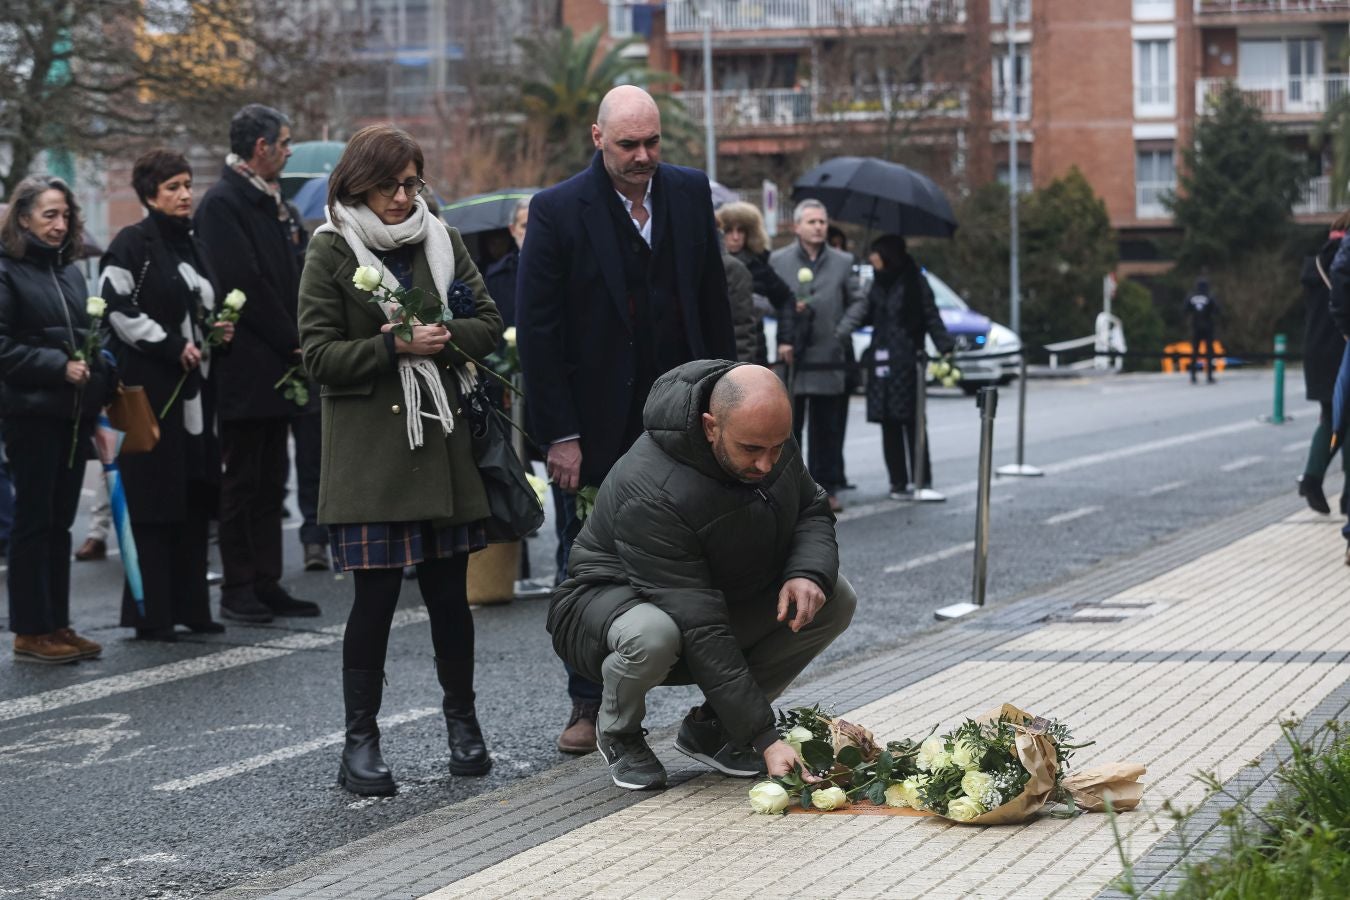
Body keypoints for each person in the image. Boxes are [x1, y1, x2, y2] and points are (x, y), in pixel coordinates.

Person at [517, 84, 736, 756]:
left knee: (705, 559)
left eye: (653, 143)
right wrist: (560, 435)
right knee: (589, 565)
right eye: (628, 145)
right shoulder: (557, 211)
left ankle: (716, 706)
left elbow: (712, 301)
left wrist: (725, 404)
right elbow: (541, 333)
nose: (644, 157)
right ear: (597, 137)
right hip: (594, 426)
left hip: (683, 418)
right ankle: (589, 703)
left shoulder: (690, 192)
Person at [299, 124, 504, 796]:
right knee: (375, 601)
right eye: (388, 184)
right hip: (371, 459)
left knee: (450, 597)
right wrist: (392, 345)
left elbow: (488, 324)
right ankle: (359, 744)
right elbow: (319, 358)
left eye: (411, 183)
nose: (401, 196)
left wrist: (441, 340)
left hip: (441, 448)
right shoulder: (330, 248)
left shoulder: (440, 238)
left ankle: (463, 727)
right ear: (358, 183)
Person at [547, 360, 855, 790]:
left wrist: (806, 573)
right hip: (608, 606)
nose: (767, 464)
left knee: (832, 595)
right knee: (654, 635)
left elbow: (812, 508)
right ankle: (619, 731)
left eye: (777, 447)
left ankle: (712, 730)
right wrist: (765, 736)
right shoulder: (652, 491)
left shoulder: (767, 434)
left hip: (708, 596)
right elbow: (699, 621)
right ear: (711, 426)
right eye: (751, 449)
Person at [99, 149, 233, 640]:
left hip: (198, 397)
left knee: (195, 497)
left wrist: (216, 332)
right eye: (173, 187)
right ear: (149, 194)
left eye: (187, 185)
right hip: (155, 394)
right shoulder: (133, 243)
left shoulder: (192, 244)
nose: (185, 195)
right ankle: (152, 613)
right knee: (155, 500)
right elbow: (115, 309)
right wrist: (172, 344)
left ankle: (193, 606)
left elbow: (200, 303)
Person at [195, 103, 318, 623]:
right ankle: (238, 585)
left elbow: (294, 275)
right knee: (243, 482)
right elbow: (243, 283)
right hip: (248, 367)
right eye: (285, 143)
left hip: (282, 362)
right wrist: (294, 341)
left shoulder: (275, 204)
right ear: (261, 147)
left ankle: (268, 580)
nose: (290, 152)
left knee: (273, 480)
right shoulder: (223, 203)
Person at [0, 175, 115, 663]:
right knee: (33, 521)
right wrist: (58, 367)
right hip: (31, 413)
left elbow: (94, 331)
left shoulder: (69, 271)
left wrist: (100, 369)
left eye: (65, 215)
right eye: (49, 215)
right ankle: (30, 630)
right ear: (22, 218)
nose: (59, 224)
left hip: (72, 414)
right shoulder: (6, 271)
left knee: (60, 523)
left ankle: (58, 623)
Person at [838, 235, 954, 498]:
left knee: (912, 420)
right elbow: (865, 314)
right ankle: (897, 481)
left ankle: (921, 478)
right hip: (881, 359)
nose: (871, 258)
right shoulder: (875, 284)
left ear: (888, 255)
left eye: (875, 253)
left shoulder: (915, 281)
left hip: (907, 359)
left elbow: (930, 314)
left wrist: (945, 346)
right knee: (887, 421)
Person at [769, 199, 865, 512]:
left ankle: (827, 488)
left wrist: (841, 331)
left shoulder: (843, 260)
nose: (819, 227)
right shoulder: (778, 260)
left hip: (829, 356)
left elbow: (859, 301)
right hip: (793, 358)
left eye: (822, 222)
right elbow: (762, 297)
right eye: (812, 222)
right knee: (790, 429)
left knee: (828, 428)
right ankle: (790, 489)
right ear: (797, 227)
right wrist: (785, 311)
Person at [1300, 213, 1350, 516]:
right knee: (1343, 419)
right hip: (1341, 347)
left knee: (1330, 417)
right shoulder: (1343, 263)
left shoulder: (1315, 263)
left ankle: (1313, 478)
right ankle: (1342, 493)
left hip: (1315, 352)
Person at [717, 201, 793, 365]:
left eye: (741, 230)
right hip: (717, 349)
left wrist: (785, 339)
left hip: (755, 350)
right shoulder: (709, 265)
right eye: (729, 230)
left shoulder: (760, 267)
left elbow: (786, 298)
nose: (735, 237)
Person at [483, 198, 528, 328]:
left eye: (536, 224)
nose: (531, 231)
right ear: (513, 230)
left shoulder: (561, 268)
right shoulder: (496, 276)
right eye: (524, 226)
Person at [1184, 278, 1218, 384]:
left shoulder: (1191, 296)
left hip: (1195, 327)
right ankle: (1209, 376)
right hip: (1208, 327)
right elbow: (1217, 310)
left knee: (1195, 352)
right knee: (1209, 352)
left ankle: (1193, 376)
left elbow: (1185, 309)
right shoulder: (1209, 296)